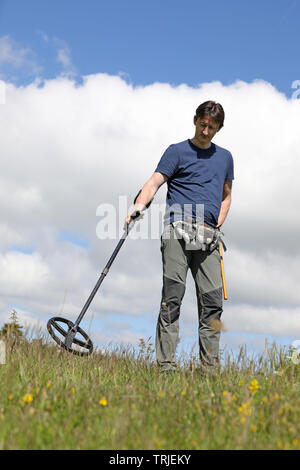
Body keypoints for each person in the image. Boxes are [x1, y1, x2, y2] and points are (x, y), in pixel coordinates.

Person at [126, 100, 234, 373]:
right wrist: (138, 206)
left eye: (212, 127)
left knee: (213, 304)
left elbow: (226, 195)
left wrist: (218, 223)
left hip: (209, 237)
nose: (206, 131)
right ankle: (166, 366)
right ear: (195, 120)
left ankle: (209, 371)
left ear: (219, 128)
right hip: (177, 230)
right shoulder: (176, 151)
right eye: (203, 124)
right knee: (172, 298)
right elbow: (153, 183)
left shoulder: (225, 158)